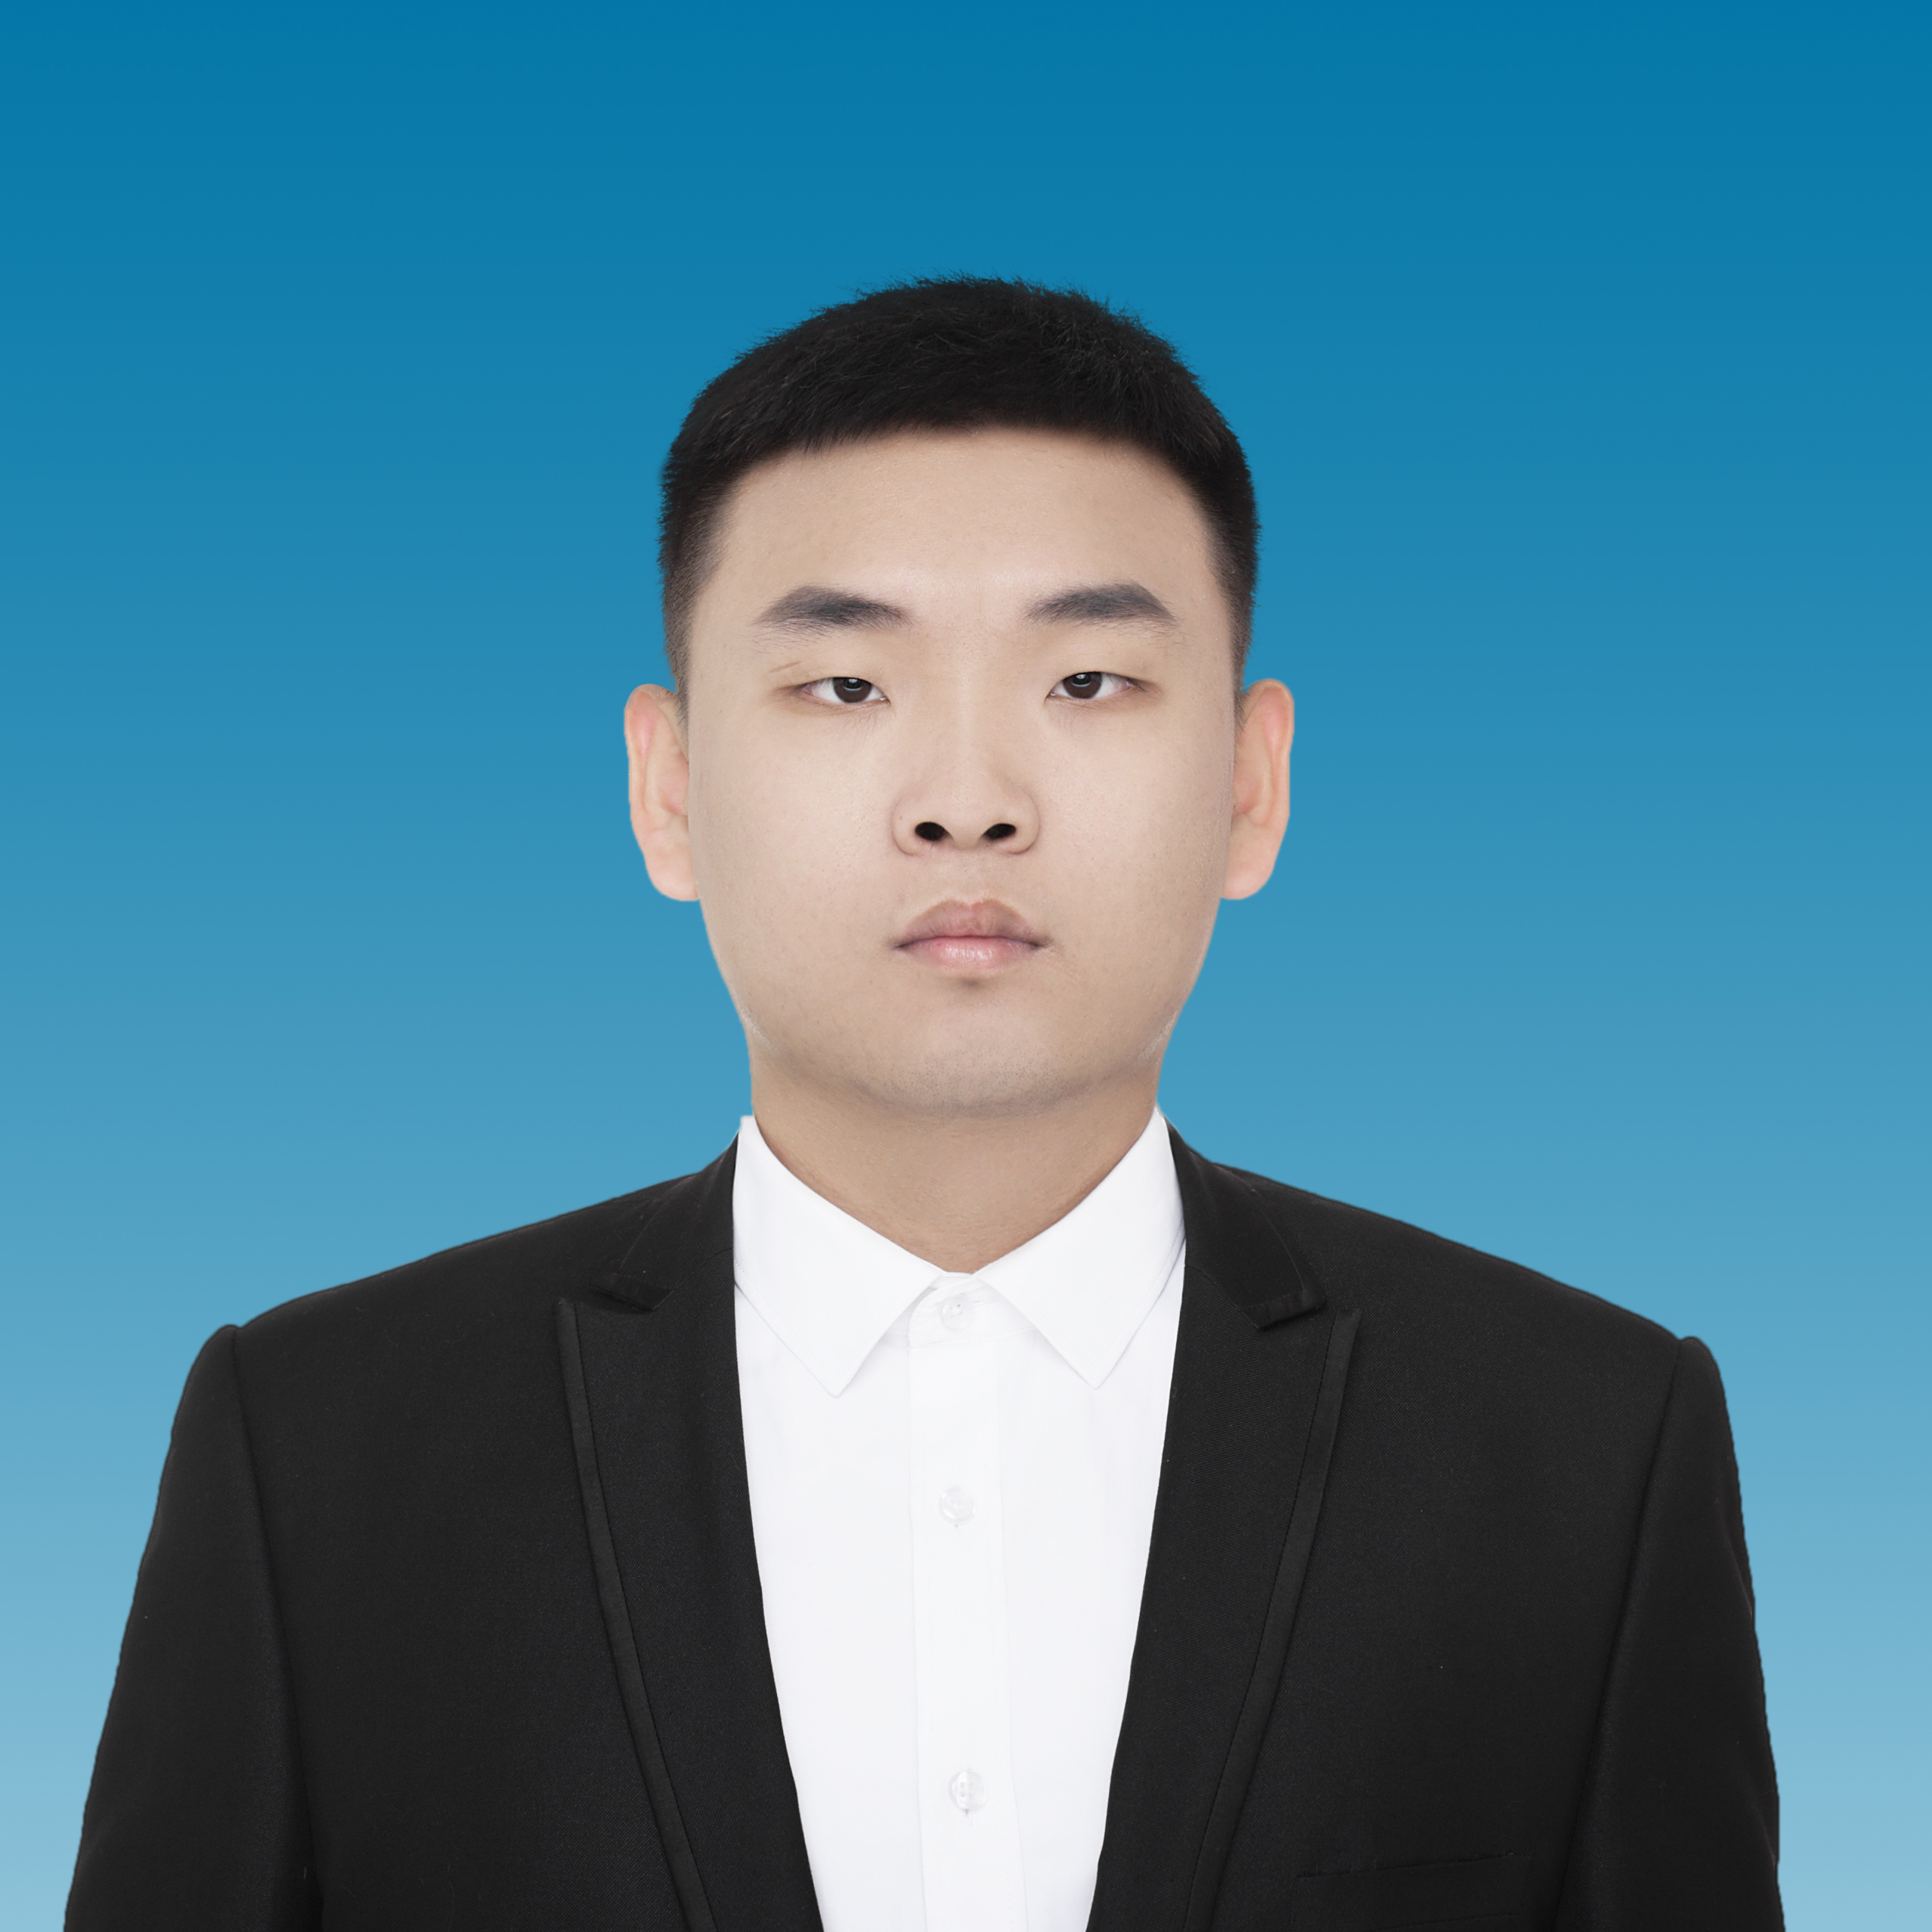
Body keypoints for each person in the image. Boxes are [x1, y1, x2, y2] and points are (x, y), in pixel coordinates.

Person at [67, 277, 1781, 1932]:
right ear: (670, 789)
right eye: (847, 684)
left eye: (1087, 681)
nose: (968, 801)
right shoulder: (318, 1452)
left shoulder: (1583, 1450)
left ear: (1251, 785)